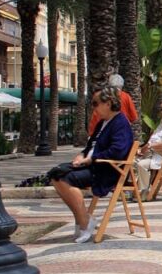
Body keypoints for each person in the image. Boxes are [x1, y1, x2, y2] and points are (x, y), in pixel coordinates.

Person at [52, 86, 134, 243]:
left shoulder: (120, 123)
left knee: (66, 179)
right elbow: (90, 146)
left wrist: (90, 159)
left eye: (95, 103)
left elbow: (118, 151)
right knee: (56, 174)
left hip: (105, 170)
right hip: (92, 165)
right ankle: (82, 219)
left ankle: (84, 222)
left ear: (108, 103)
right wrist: (81, 155)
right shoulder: (102, 123)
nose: (93, 107)